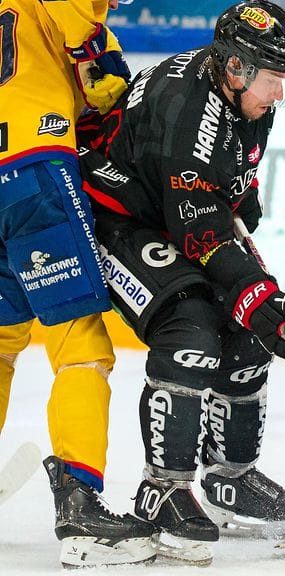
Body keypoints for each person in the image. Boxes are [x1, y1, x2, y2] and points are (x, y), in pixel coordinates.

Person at [75, 0, 285, 564]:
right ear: (236, 69)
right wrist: (259, 293)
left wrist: (243, 213)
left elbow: (227, 185)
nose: (279, 93)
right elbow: (201, 232)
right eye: (274, 80)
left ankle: (231, 479)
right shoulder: (186, 111)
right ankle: (164, 488)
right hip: (115, 219)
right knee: (191, 329)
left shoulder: (244, 91)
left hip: (171, 212)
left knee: (247, 327)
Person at [0, 0, 158, 568]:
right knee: (80, 348)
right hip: (35, 169)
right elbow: (105, 93)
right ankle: (80, 504)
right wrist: (102, 55)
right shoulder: (78, 18)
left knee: (1, 344)